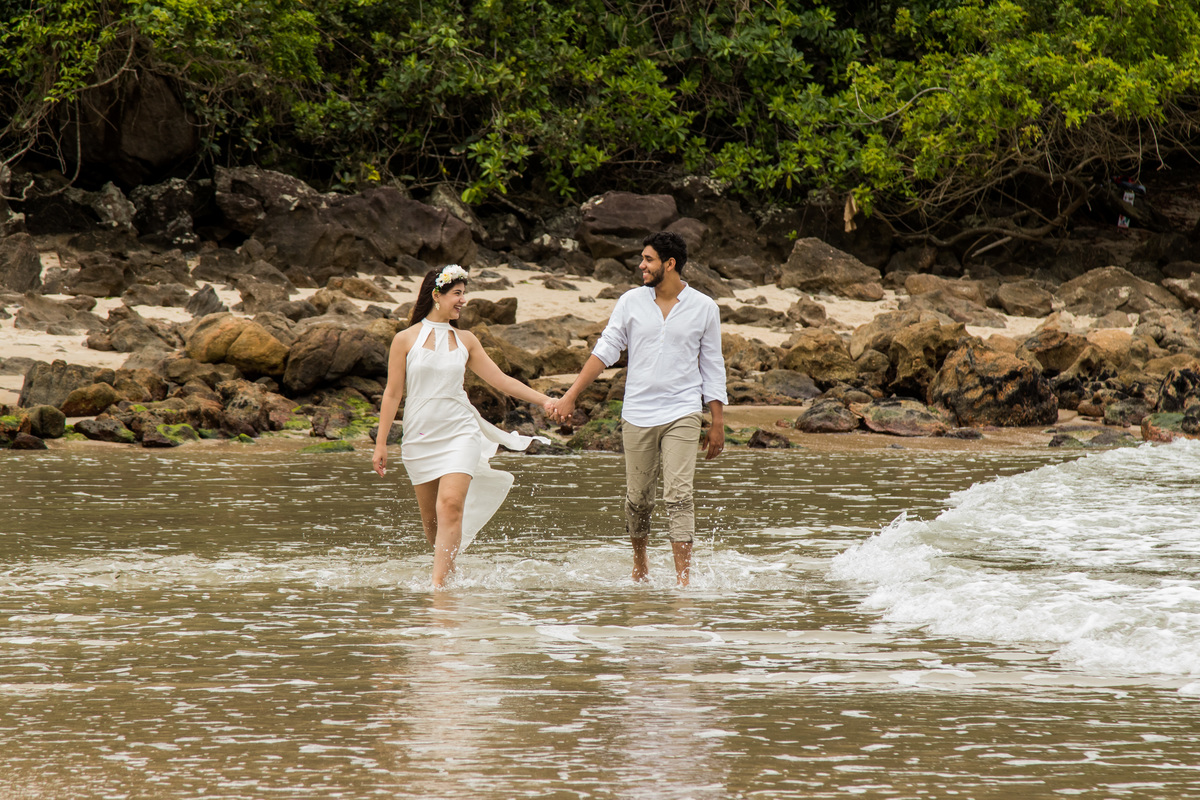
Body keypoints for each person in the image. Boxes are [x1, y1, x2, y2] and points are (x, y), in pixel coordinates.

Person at [548, 231, 726, 586]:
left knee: (679, 495)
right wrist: (571, 395)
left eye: (648, 260)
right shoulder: (631, 302)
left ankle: (683, 582)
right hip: (638, 413)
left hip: (683, 411)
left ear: (669, 264)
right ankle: (640, 563)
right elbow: (606, 350)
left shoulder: (704, 307)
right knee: (639, 500)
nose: (641, 266)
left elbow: (712, 365)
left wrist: (717, 421)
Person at [373, 264, 551, 588]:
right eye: (457, 294)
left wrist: (545, 400)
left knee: (450, 505)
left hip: (460, 431)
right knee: (432, 523)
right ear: (436, 295)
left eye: (463, 294)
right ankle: (450, 575)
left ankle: (439, 591)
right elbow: (393, 393)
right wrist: (381, 442)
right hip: (420, 437)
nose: (463, 301)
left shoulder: (466, 340)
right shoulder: (404, 340)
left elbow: (501, 379)